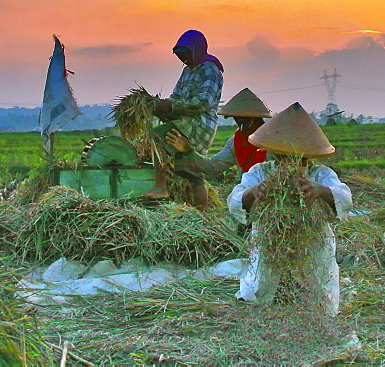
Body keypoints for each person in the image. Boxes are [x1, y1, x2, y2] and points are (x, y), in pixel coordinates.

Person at [227, 102, 352, 316]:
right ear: (274, 153)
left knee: (316, 285)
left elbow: (344, 197)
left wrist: (321, 191)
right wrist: (252, 193)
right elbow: (235, 200)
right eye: (283, 156)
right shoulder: (260, 172)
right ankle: (264, 303)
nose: (290, 162)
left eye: (298, 157)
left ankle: (315, 307)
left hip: (313, 243)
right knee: (263, 283)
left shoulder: (320, 174)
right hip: (270, 242)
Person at [142, 29, 224, 209]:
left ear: (195, 50)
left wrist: (173, 107)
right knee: (191, 171)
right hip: (185, 121)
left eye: (185, 54)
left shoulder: (210, 69)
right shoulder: (188, 70)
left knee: (156, 137)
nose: (182, 59)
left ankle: (160, 186)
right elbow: (176, 96)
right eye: (179, 55)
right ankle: (202, 217)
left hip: (199, 124)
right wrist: (163, 108)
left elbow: (204, 102)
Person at [166, 87, 272, 177]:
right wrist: (188, 150)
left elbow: (281, 171)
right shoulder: (236, 142)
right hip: (246, 189)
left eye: (245, 118)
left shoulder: (271, 139)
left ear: (256, 117)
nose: (240, 122)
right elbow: (212, 167)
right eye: (237, 118)